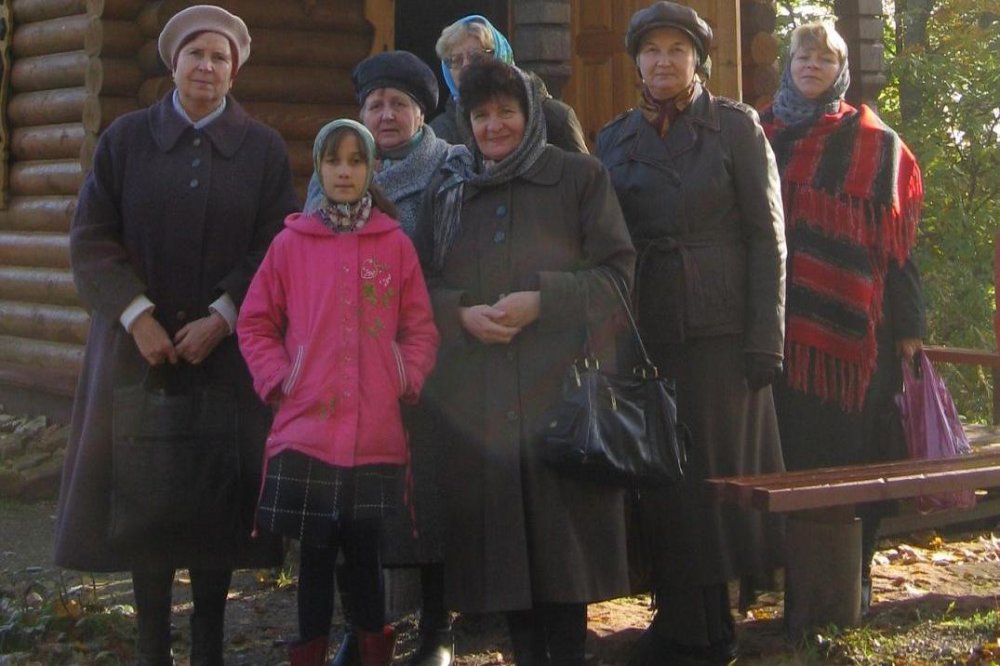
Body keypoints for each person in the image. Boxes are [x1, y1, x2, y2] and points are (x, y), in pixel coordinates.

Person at [52, 6, 298, 665]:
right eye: (196, 55)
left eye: (221, 58)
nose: (207, 68)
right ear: (173, 62)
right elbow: (91, 237)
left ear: (235, 70)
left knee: (217, 507)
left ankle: (210, 648)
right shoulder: (126, 140)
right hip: (140, 355)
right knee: (146, 498)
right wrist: (136, 315)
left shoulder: (264, 149)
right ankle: (152, 647)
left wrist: (224, 315)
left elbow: (275, 244)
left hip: (226, 356)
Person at [415, 58, 636, 665]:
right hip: (482, 399)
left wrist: (543, 302)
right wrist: (459, 313)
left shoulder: (579, 178)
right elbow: (420, 285)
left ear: (531, 114)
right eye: (481, 115)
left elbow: (618, 278)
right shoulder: (451, 189)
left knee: (563, 555)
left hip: (562, 394)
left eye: (505, 112)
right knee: (504, 556)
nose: (493, 126)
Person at [595, 2, 786, 662]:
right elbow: (602, 240)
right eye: (652, 50)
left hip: (722, 327)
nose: (664, 61)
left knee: (715, 477)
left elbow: (768, 238)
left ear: (698, 60)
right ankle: (676, 618)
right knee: (661, 476)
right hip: (647, 326)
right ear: (637, 63)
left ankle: (715, 626)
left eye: (677, 49)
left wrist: (768, 334)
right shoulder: (613, 139)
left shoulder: (736, 127)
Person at [238, 119, 440, 666]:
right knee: (316, 557)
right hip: (307, 429)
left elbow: (420, 328)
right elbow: (255, 323)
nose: (345, 171)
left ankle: (371, 651)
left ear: (372, 170)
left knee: (366, 553)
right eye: (334, 161)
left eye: (356, 161)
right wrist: (280, 377)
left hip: (376, 430)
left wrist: (404, 375)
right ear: (318, 168)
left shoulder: (394, 245)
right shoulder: (290, 244)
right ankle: (308, 654)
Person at [303, 50, 470, 666]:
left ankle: (436, 627)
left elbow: (457, 258)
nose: (386, 114)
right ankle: (364, 625)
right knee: (352, 497)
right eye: (375, 104)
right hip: (347, 362)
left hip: (429, 352)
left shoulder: (451, 166)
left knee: (427, 491)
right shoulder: (335, 169)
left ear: (422, 112)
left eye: (399, 103)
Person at [760, 21, 925, 614]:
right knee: (794, 458)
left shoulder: (877, 143)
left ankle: (856, 573)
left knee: (860, 458)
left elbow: (901, 247)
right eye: (803, 55)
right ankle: (802, 583)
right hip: (782, 333)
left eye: (825, 58)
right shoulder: (758, 134)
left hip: (862, 341)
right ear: (788, 63)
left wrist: (910, 330)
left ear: (841, 71)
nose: (811, 65)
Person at [431, 14, 589, 154]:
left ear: (500, 56)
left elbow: (583, 179)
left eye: (475, 56)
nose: (466, 66)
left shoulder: (554, 116)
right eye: (456, 60)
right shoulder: (440, 132)